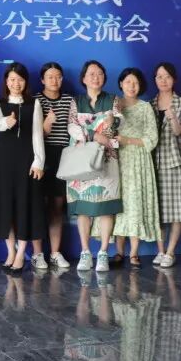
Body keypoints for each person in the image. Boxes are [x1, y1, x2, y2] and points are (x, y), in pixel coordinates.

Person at [0, 63, 46, 275]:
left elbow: (37, 134)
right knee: (6, 209)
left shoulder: (34, 104)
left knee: (24, 207)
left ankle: (21, 254)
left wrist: (39, 162)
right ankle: (10, 252)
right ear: (6, 81)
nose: (16, 83)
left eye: (20, 79)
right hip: (4, 163)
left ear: (25, 82)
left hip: (27, 162)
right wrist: (7, 122)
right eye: (12, 79)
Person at [67, 60, 122, 272]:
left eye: (99, 73)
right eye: (91, 74)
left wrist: (107, 125)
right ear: (83, 78)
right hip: (82, 160)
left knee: (105, 206)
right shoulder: (77, 101)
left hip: (107, 159)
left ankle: (103, 253)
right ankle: (85, 252)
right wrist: (95, 134)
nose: (95, 77)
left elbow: (118, 122)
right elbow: (72, 126)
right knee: (83, 208)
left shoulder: (113, 99)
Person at [112, 68, 160, 269]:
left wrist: (128, 140)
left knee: (135, 204)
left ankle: (133, 253)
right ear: (121, 84)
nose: (132, 86)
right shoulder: (113, 105)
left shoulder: (145, 107)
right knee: (118, 204)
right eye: (128, 82)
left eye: (136, 83)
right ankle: (118, 252)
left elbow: (152, 138)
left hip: (138, 161)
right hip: (116, 160)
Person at [150, 62, 181, 268]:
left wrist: (173, 117)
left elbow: (179, 132)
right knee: (156, 210)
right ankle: (160, 250)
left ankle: (171, 251)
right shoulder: (150, 104)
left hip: (174, 161)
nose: (163, 80)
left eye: (167, 76)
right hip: (152, 162)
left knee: (177, 209)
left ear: (174, 79)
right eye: (159, 77)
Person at [33, 62, 75, 268]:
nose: (54, 80)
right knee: (37, 206)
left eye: (58, 76)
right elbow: (32, 135)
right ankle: (38, 254)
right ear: (42, 80)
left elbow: (75, 128)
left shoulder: (69, 100)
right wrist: (46, 125)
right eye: (50, 76)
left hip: (63, 157)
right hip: (40, 156)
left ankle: (55, 253)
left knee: (57, 207)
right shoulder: (35, 100)